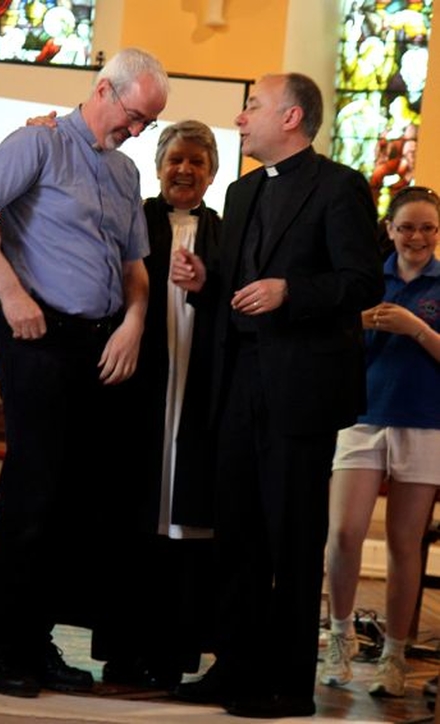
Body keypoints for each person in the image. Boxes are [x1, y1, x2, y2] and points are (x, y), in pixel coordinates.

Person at [0, 47, 169, 698]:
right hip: (39, 339)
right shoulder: (37, 143)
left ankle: (31, 645)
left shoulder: (125, 173)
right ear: (104, 90)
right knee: (31, 500)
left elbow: (135, 270)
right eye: (135, 116)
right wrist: (11, 295)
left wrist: (133, 322)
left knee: (71, 509)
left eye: (148, 123)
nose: (137, 132)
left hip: (98, 346)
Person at [171, 73, 384, 718]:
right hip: (238, 383)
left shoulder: (340, 186)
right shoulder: (238, 193)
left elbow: (361, 282)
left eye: (253, 107)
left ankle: (288, 684)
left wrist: (291, 290)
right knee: (236, 532)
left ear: (291, 117)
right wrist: (207, 280)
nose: (241, 118)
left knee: (290, 537)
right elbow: (238, 288)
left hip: (301, 387)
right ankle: (234, 667)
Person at [92, 120, 220, 689]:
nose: (184, 170)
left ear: (211, 173)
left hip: (197, 396)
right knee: (129, 516)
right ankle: (123, 652)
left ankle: (171, 654)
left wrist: (209, 284)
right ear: (158, 165)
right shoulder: (134, 218)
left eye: (196, 162)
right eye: (175, 160)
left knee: (186, 525)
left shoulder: (225, 231)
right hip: (137, 394)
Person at [321, 185, 440, 698]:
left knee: (403, 544)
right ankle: (340, 638)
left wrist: (418, 329)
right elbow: (328, 342)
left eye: (428, 228)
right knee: (344, 533)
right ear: (389, 230)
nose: (417, 236)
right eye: (407, 226)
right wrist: (359, 321)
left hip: (425, 421)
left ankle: (394, 654)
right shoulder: (368, 278)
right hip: (362, 414)